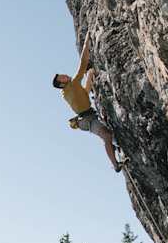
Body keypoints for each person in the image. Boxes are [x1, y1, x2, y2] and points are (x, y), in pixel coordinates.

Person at [53, 36, 124, 172]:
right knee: (107, 136)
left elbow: (85, 93)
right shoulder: (72, 85)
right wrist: (86, 42)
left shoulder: (70, 90)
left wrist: (90, 77)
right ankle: (116, 165)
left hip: (87, 117)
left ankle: (116, 151)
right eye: (62, 77)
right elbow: (83, 63)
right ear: (62, 84)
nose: (65, 75)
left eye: (62, 74)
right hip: (87, 119)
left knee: (109, 135)